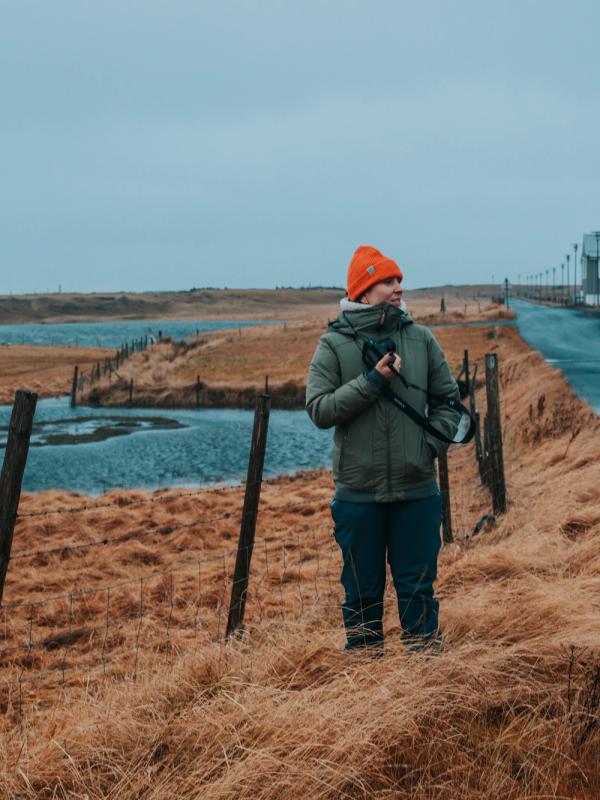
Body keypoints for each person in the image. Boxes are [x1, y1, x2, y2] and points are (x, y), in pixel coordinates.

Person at [305, 245, 461, 657]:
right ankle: (365, 690)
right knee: (361, 598)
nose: (398, 287)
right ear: (363, 290)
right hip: (359, 495)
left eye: (398, 280)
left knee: (419, 596)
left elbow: (449, 402)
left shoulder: (420, 339)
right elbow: (319, 409)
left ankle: (426, 689)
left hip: (417, 491)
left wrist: (427, 447)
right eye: (387, 281)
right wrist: (371, 383)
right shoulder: (333, 345)